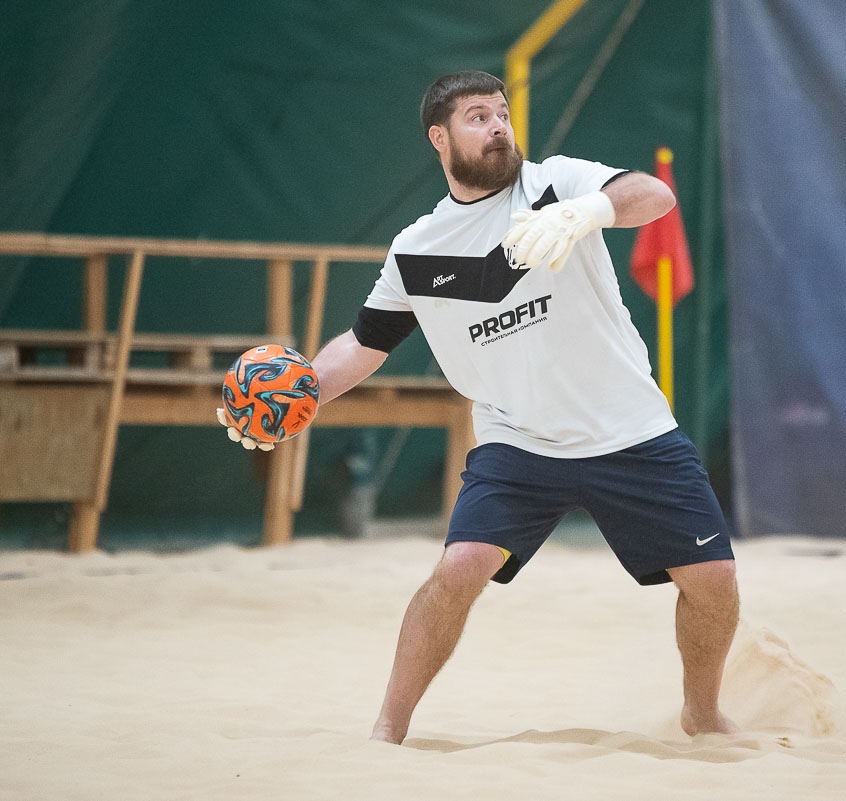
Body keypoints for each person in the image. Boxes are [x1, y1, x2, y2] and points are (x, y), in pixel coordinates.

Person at [218, 70, 739, 745]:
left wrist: (588, 211)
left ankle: (702, 713)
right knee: (458, 569)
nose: (498, 127)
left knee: (715, 580)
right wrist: (298, 397)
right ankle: (387, 730)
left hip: (629, 429)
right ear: (440, 138)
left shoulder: (555, 185)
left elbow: (655, 195)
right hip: (517, 440)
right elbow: (365, 342)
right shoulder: (417, 248)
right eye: (478, 117)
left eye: (502, 113)